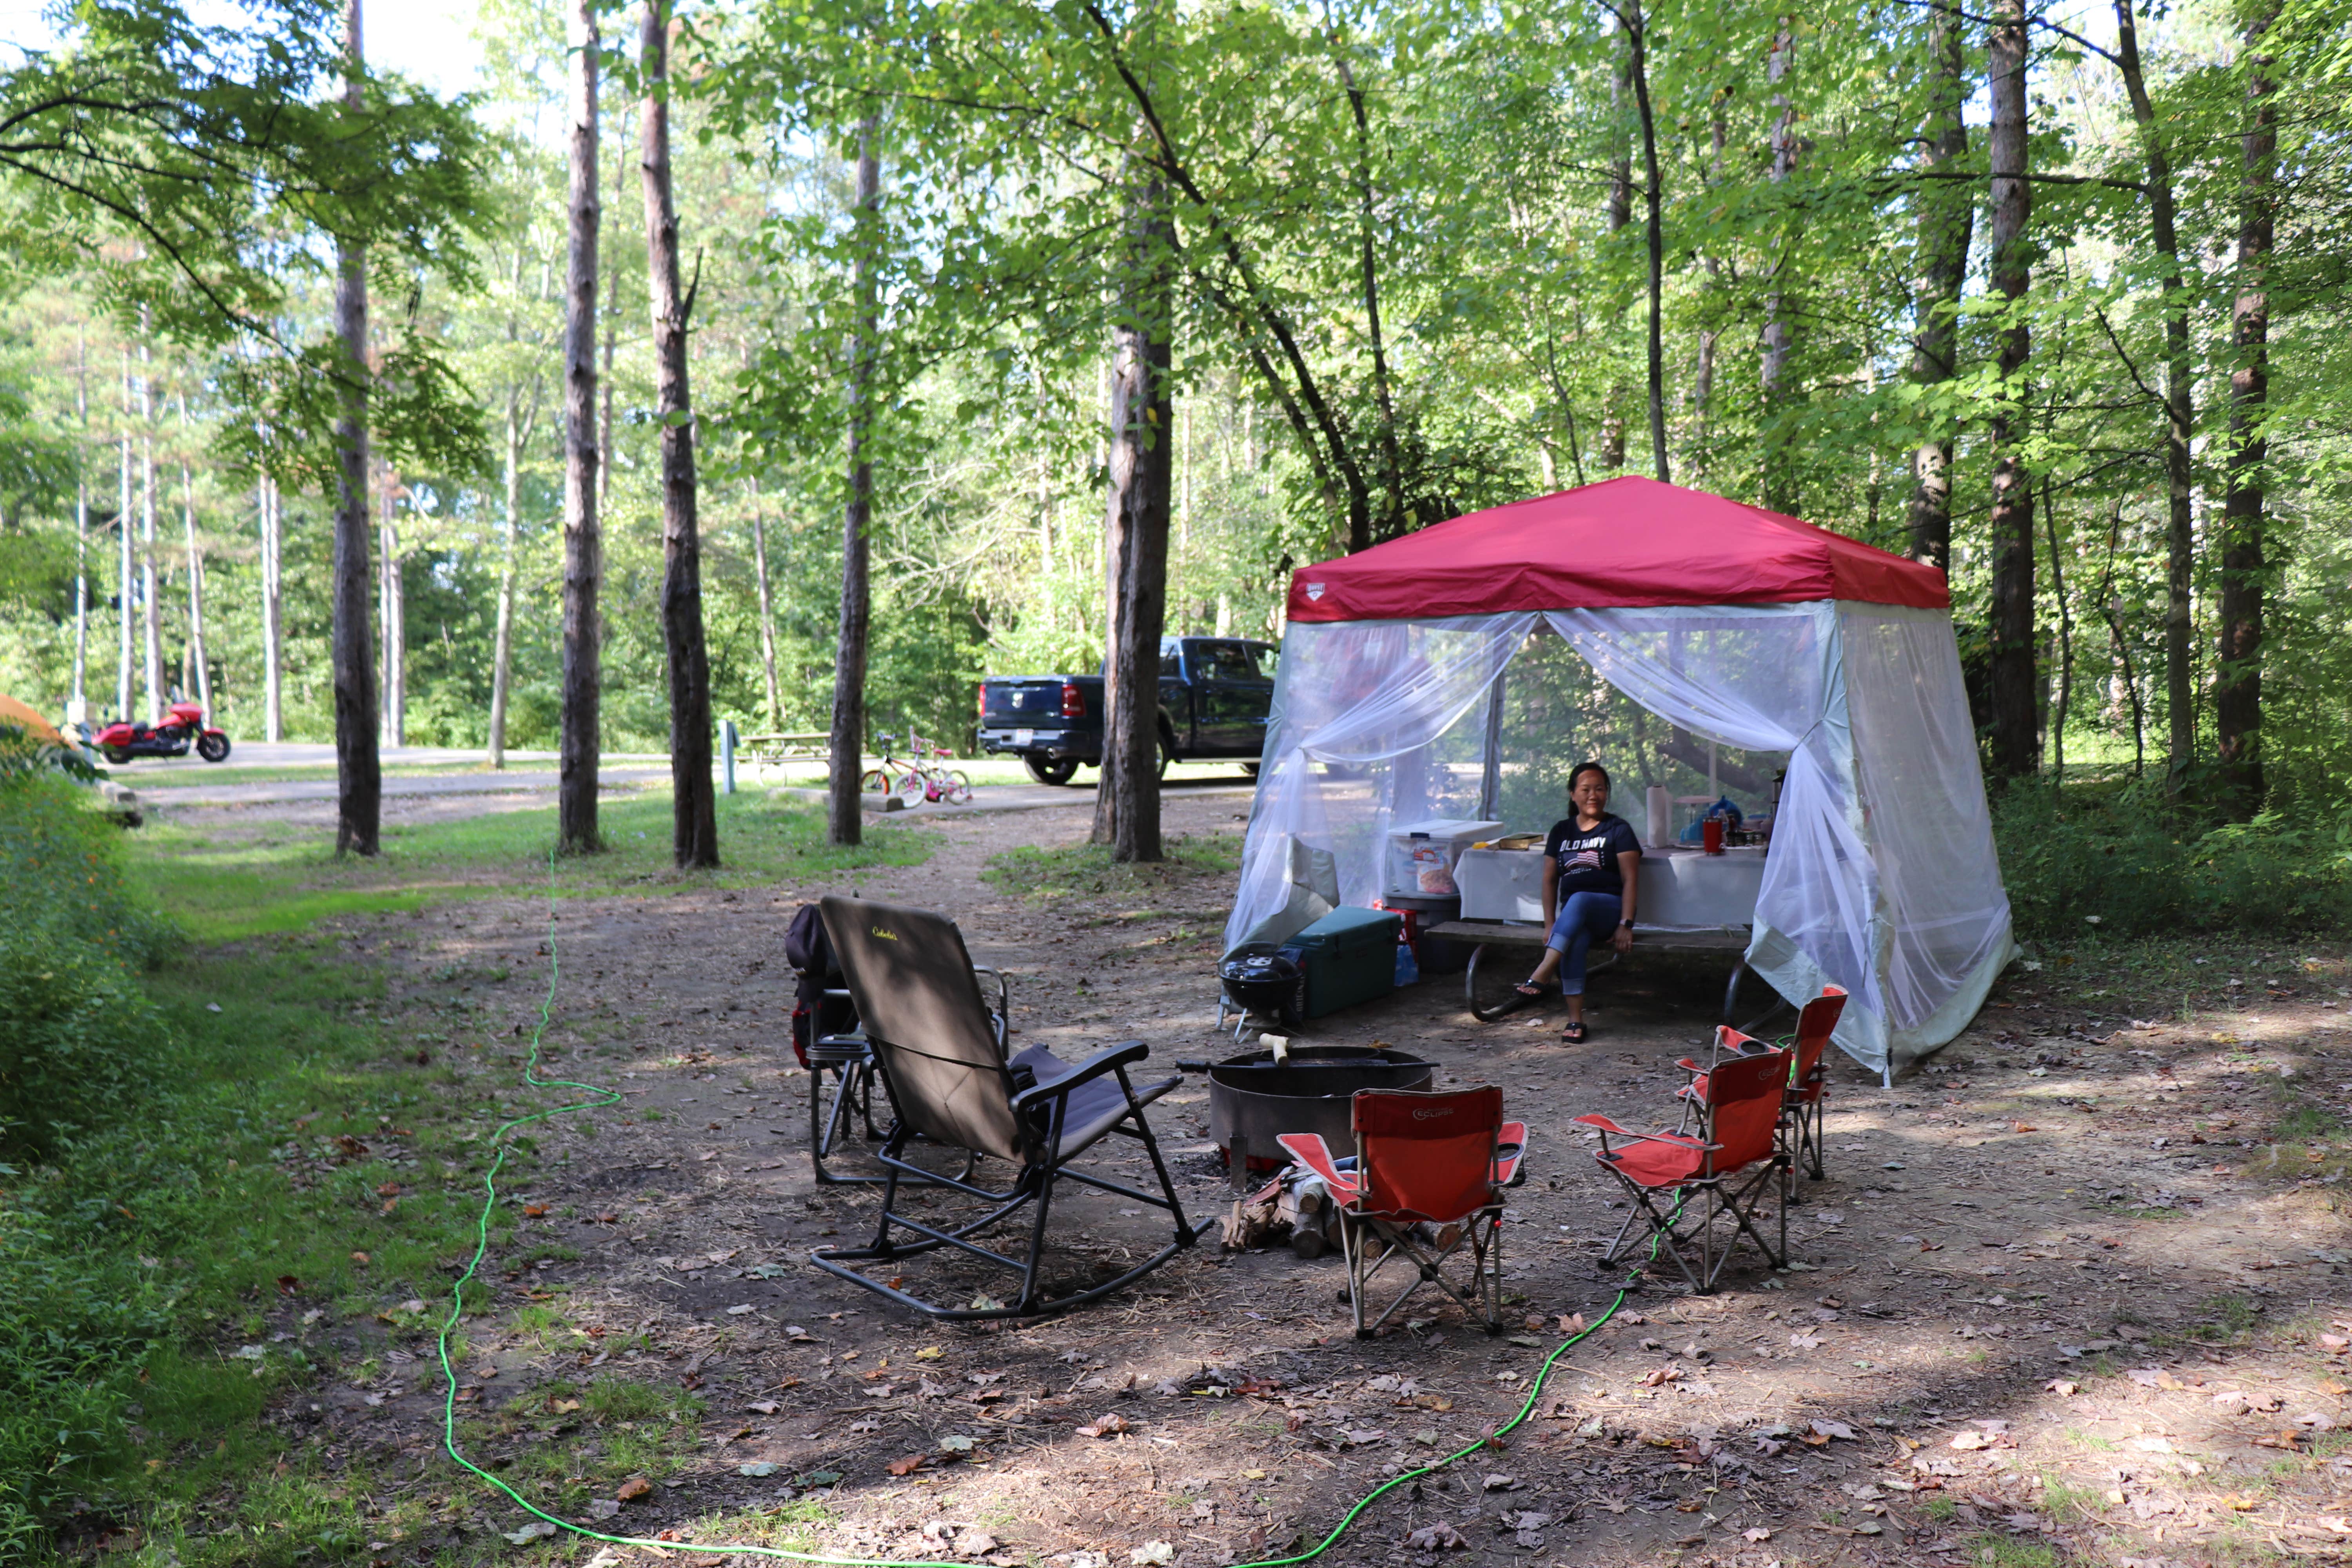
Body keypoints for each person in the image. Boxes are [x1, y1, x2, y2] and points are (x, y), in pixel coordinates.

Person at [1514, 761, 1641, 1042]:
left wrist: (1626, 924)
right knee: (1575, 940)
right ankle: (1575, 1021)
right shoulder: (1561, 832)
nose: (1593, 795)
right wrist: (1550, 925)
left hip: (1608, 910)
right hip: (1574, 918)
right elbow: (1549, 880)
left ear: (1607, 793)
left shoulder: (1618, 829)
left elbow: (1631, 879)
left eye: (1599, 789)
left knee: (1581, 899)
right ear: (1573, 794)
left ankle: (1544, 970)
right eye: (1586, 789)